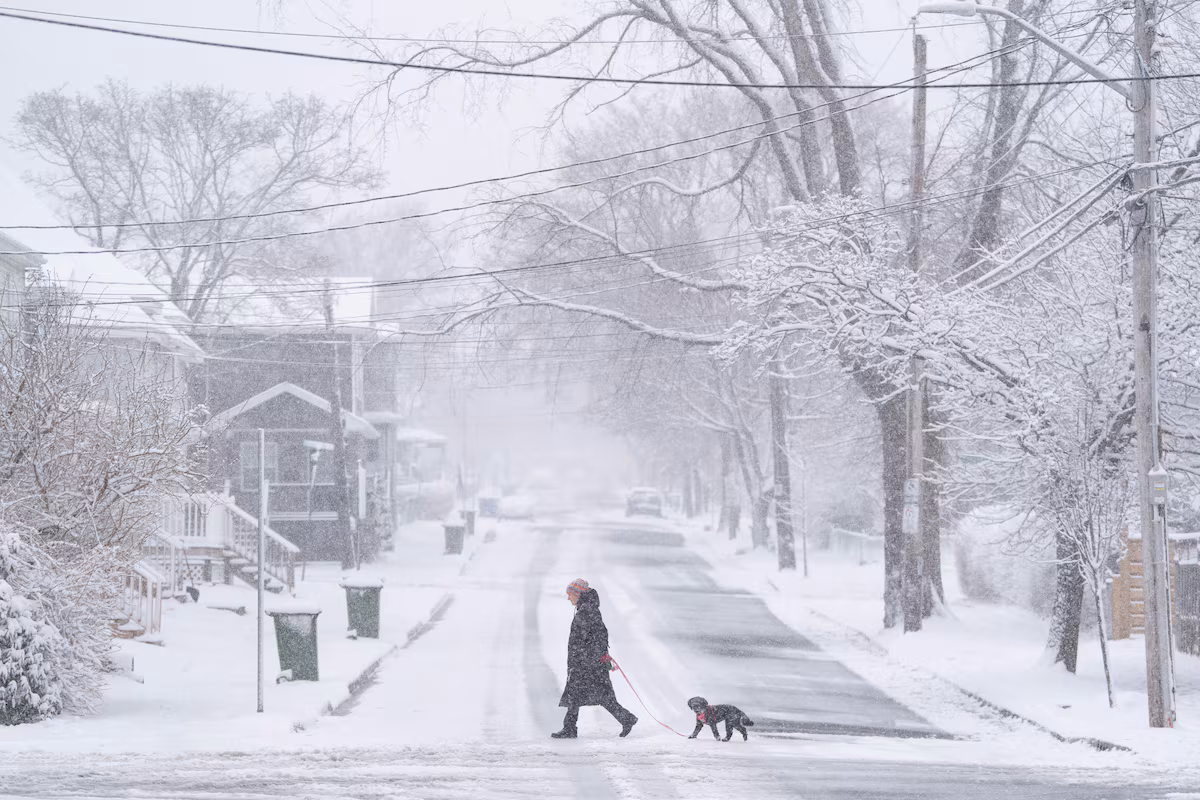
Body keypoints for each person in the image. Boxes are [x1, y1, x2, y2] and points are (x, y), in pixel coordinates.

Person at [551, 578, 638, 739]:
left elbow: (598, 636)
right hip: (587, 662)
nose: (568, 598)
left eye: (570, 594)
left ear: (578, 594)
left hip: (587, 664)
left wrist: (589, 659)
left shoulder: (586, 611)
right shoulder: (587, 608)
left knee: (589, 695)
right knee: (579, 696)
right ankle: (570, 727)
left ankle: (626, 719)